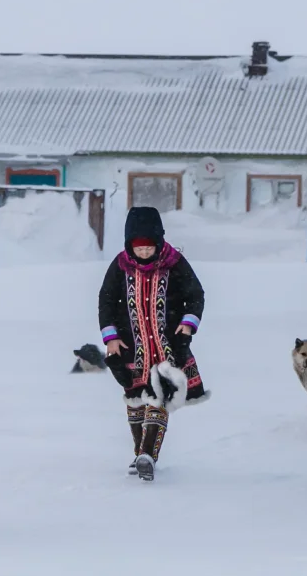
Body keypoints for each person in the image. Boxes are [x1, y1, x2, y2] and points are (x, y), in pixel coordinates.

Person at [98, 206, 208, 482]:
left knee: (159, 398)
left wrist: (187, 323)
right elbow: (106, 302)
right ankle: (139, 453)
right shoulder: (120, 266)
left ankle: (148, 454)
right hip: (130, 348)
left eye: (149, 247)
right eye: (139, 248)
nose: (144, 252)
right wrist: (111, 338)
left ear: (159, 243)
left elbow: (195, 295)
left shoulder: (175, 263)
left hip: (167, 347)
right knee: (136, 400)